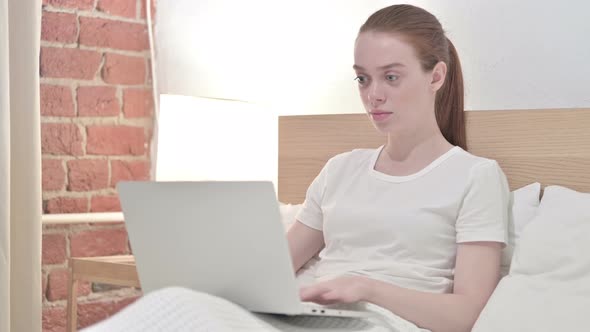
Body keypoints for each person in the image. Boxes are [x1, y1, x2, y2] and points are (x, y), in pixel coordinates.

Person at [287, 4, 509, 332]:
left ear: (436, 76)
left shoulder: (476, 176)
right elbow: (271, 270)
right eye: (363, 79)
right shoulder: (339, 169)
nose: (373, 95)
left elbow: (467, 314)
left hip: (386, 323)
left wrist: (368, 288)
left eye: (391, 77)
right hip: (308, 318)